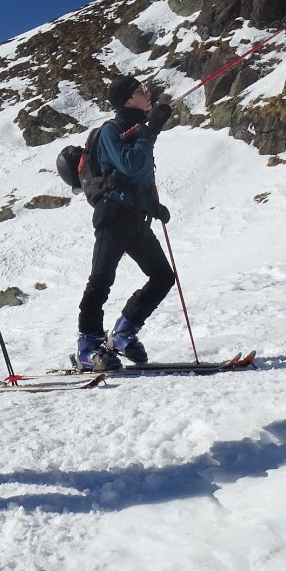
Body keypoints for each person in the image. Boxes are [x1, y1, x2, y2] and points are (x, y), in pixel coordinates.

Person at [75, 74, 176, 370]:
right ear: (127, 99)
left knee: (162, 276)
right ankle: (87, 344)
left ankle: (123, 331)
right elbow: (130, 163)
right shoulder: (111, 130)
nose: (147, 93)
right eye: (140, 90)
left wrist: (153, 207)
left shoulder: (137, 129)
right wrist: (151, 130)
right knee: (102, 278)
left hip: (135, 216)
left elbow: (135, 176)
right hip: (113, 213)